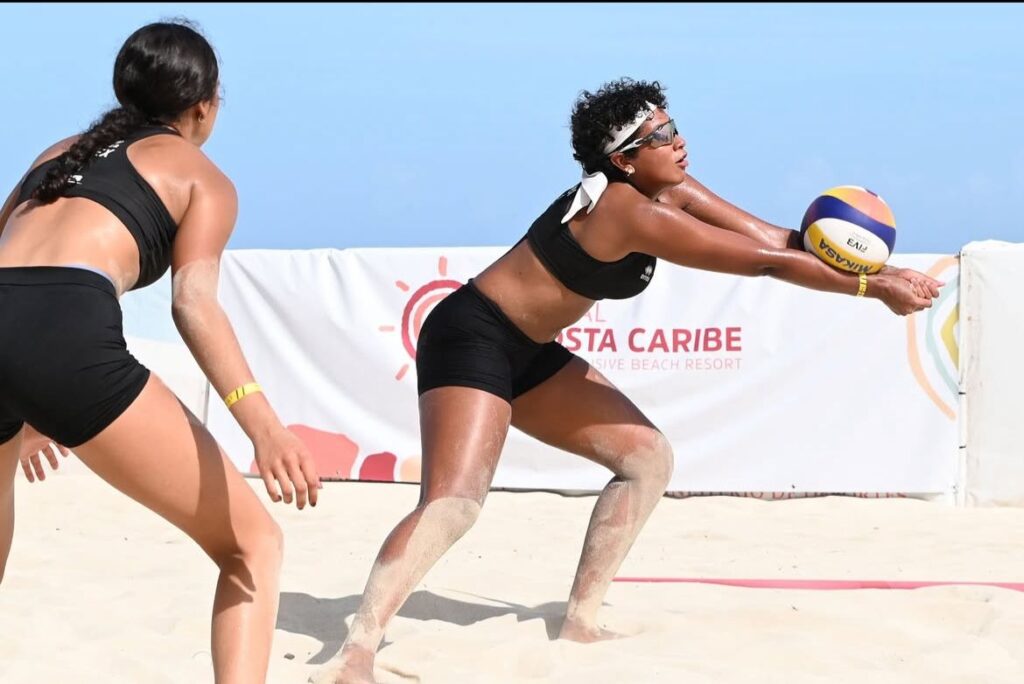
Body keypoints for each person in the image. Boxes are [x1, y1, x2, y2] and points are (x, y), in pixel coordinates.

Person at [323, 77, 941, 683]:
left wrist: (880, 269)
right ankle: (357, 652)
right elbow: (763, 265)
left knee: (647, 459)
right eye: (660, 135)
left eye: (673, 126)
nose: (678, 141)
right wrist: (871, 289)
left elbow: (777, 239)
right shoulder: (625, 209)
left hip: (531, 349)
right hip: (472, 335)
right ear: (623, 160)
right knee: (454, 505)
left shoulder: (670, 187)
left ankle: (580, 623)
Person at [0, 20, 320, 683]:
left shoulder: (55, 154)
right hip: (63, 336)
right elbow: (194, 305)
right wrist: (264, 427)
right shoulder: (203, 177)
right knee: (253, 546)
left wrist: (28, 399)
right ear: (205, 105)